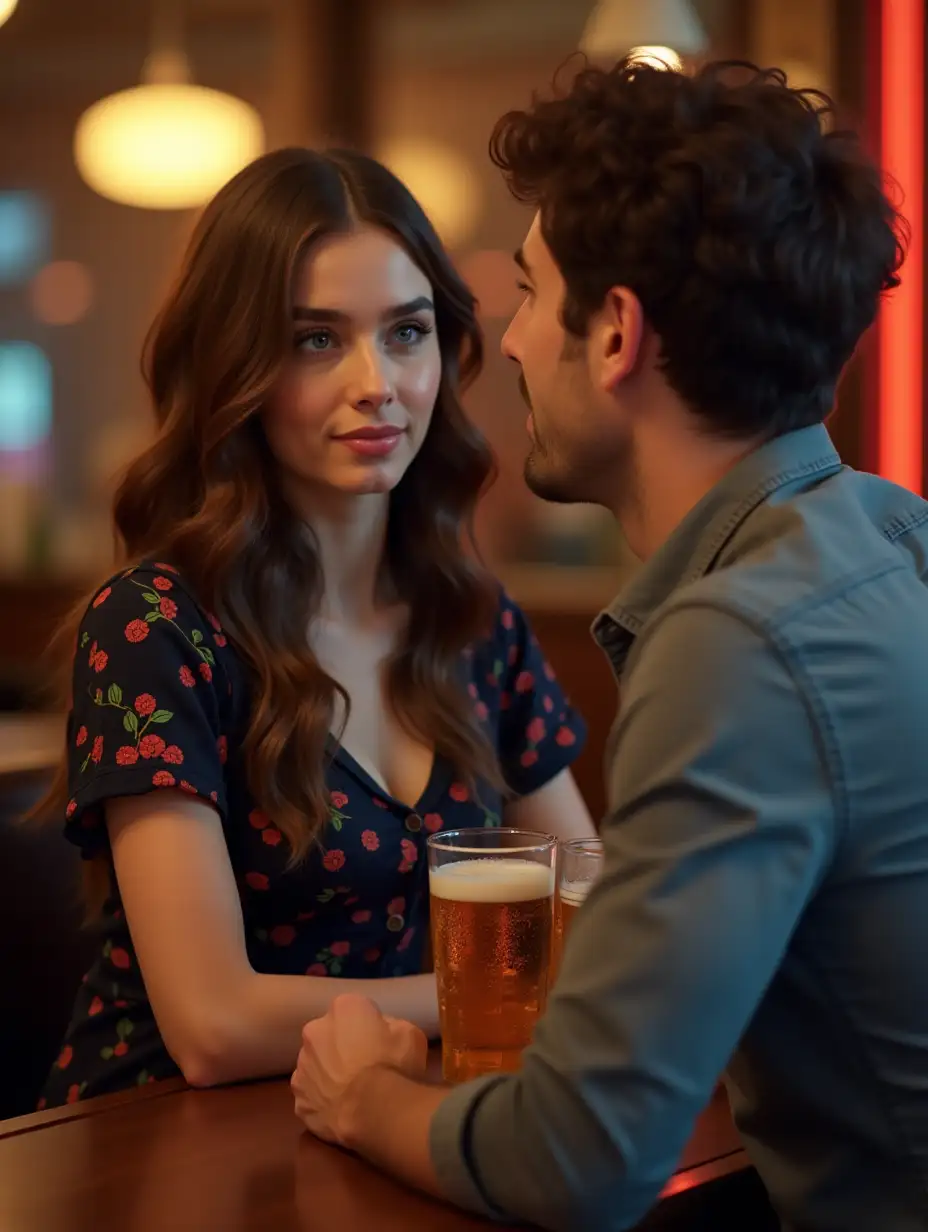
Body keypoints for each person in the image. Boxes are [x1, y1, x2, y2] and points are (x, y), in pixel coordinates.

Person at [290, 58, 928, 1231]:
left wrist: (363, 1094)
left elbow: (575, 1159)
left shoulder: (739, 639)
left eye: (530, 294)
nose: (516, 343)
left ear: (617, 332)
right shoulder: (892, 533)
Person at [37, 146, 593, 1109]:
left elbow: (597, 901)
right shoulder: (152, 627)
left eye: (408, 333)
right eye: (317, 340)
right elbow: (210, 1026)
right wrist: (503, 991)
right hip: (152, 1145)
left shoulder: (474, 620)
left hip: (393, 1116)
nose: (377, 382)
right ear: (236, 366)